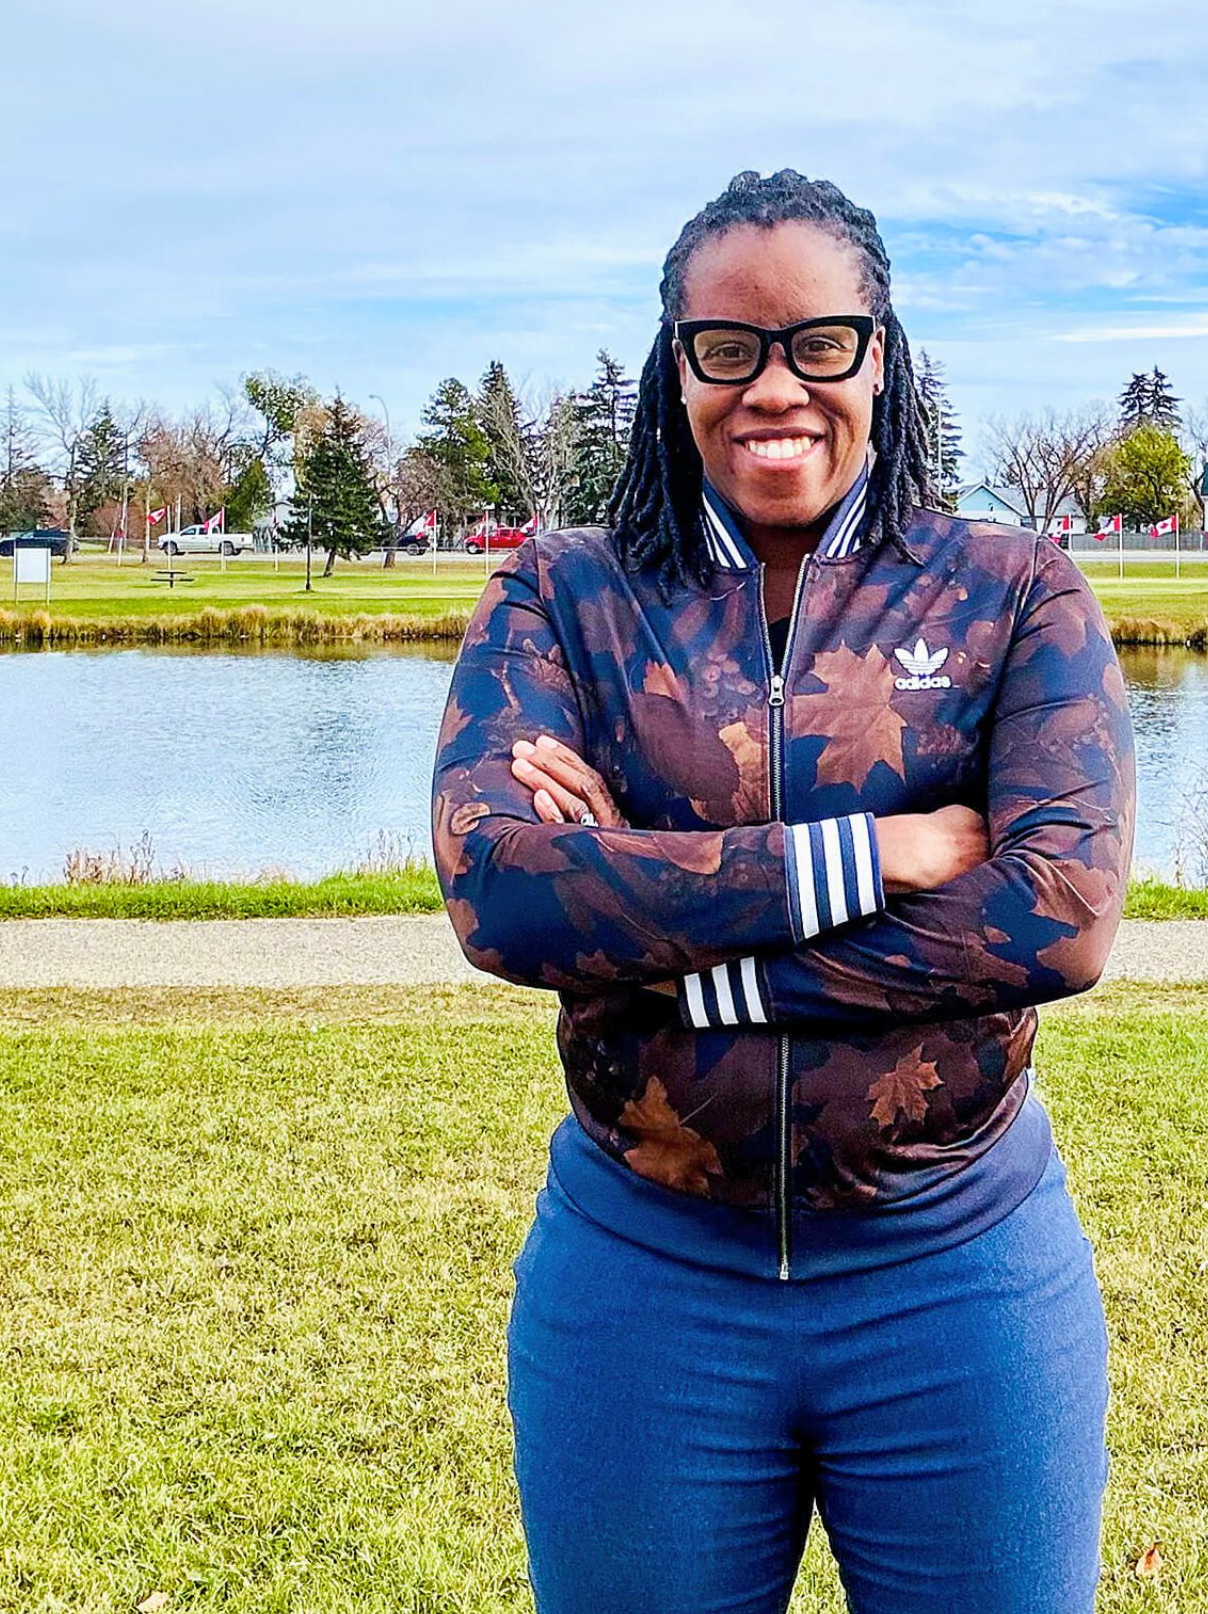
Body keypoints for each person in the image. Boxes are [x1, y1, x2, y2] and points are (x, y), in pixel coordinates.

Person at [431, 168, 1135, 1612]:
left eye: (821, 344)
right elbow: (501, 895)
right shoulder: (562, 594)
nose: (776, 388)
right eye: (728, 348)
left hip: (959, 1275)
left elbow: (1056, 916)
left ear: (883, 356)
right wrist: (872, 855)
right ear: (671, 368)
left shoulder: (1015, 589)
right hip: (646, 1279)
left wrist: (651, 911)